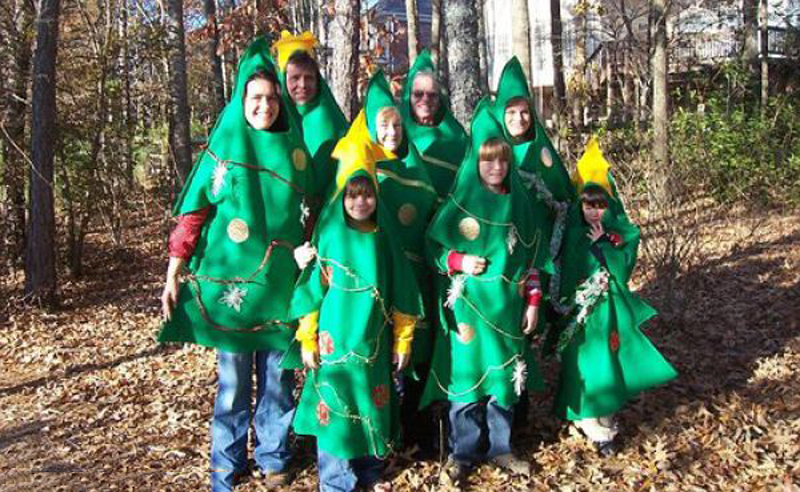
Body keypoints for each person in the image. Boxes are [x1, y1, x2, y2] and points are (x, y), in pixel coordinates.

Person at [158, 38, 315, 492]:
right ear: (242, 102)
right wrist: (173, 272)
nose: (263, 106)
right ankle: (225, 466)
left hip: (280, 288)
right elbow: (193, 214)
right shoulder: (225, 145)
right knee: (231, 386)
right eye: (255, 98)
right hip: (233, 293)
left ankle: (272, 456)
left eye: (270, 98)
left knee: (278, 381)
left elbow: (314, 213)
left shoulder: (295, 150)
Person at [287, 113, 422, 492]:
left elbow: (403, 293)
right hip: (334, 344)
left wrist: (403, 340)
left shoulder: (384, 238)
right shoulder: (328, 237)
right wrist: (308, 338)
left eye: (366, 194)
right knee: (335, 409)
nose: (360, 201)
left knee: (371, 403)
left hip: (373, 345)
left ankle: (369, 469)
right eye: (352, 194)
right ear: (342, 195)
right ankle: (335, 479)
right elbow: (313, 290)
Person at [420, 99, 550, 488]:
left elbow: (531, 261)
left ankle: (501, 447)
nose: (495, 167)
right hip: (469, 312)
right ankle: (464, 451)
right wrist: (459, 261)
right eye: (487, 160)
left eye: (501, 161)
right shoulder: (460, 202)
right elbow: (433, 248)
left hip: (507, 310)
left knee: (503, 382)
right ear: (476, 162)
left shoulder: (519, 206)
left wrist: (532, 303)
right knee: (468, 382)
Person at [552, 138, 678, 456]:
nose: (594, 211)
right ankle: (587, 419)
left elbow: (625, 253)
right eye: (588, 204)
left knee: (606, 361)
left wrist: (606, 241)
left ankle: (603, 423)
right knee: (582, 364)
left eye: (600, 204)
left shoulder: (616, 232)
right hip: (579, 314)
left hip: (607, 311)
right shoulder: (571, 234)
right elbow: (565, 267)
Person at [272, 31, 348, 199]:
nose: (303, 85)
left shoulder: (330, 120)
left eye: (309, 78)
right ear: (283, 80)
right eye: (295, 78)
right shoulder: (274, 119)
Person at [399, 50, 469, 199]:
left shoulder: (457, 139)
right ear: (408, 97)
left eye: (432, 95)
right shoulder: (395, 135)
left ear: (440, 101)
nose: (425, 100)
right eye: (418, 94)